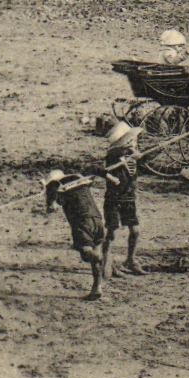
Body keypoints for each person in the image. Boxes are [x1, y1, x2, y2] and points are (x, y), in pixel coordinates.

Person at [44, 169, 106, 300]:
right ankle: (97, 287)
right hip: (97, 219)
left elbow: (52, 206)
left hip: (82, 221)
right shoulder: (80, 183)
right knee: (95, 250)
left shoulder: (55, 186)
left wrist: (49, 201)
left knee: (86, 254)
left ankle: (100, 259)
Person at [100, 122, 146, 278]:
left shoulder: (133, 156)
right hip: (114, 200)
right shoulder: (113, 157)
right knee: (111, 232)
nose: (135, 143)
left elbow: (145, 161)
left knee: (135, 230)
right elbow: (102, 171)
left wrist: (143, 156)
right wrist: (112, 178)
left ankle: (130, 260)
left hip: (129, 199)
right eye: (132, 140)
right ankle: (106, 264)